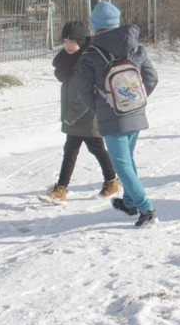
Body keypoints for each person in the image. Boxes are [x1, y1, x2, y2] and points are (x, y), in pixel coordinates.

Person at [77, 1, 160, 227]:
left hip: (111, 117)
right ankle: (130, 202)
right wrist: (134, 101)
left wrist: (102, 107)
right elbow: (151, 79)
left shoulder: (90, 54)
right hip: (135, 112)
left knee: (121, 165)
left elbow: (83, 91)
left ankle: (146, 209)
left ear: (94, 26)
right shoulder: (136, 48)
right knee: (127, 160)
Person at [39, 21, 121, 204]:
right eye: (65, 40)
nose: (68, 45)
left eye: (72, 41)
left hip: (86, 114)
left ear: (81, 41)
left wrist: (71, 116)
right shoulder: (69, 59)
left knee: (78, 149)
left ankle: (62, 189)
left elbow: (86, 94)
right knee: (91, 148)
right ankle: (111, 181)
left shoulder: (85, 61)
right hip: (76, 114)